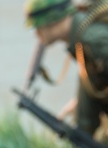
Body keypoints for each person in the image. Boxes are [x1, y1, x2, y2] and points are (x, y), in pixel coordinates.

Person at [25, 0, 108, 136]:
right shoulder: (83, 41)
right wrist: (81, 103)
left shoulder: (91, 39)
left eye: (37, 26)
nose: (36, 34)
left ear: (51, 19)